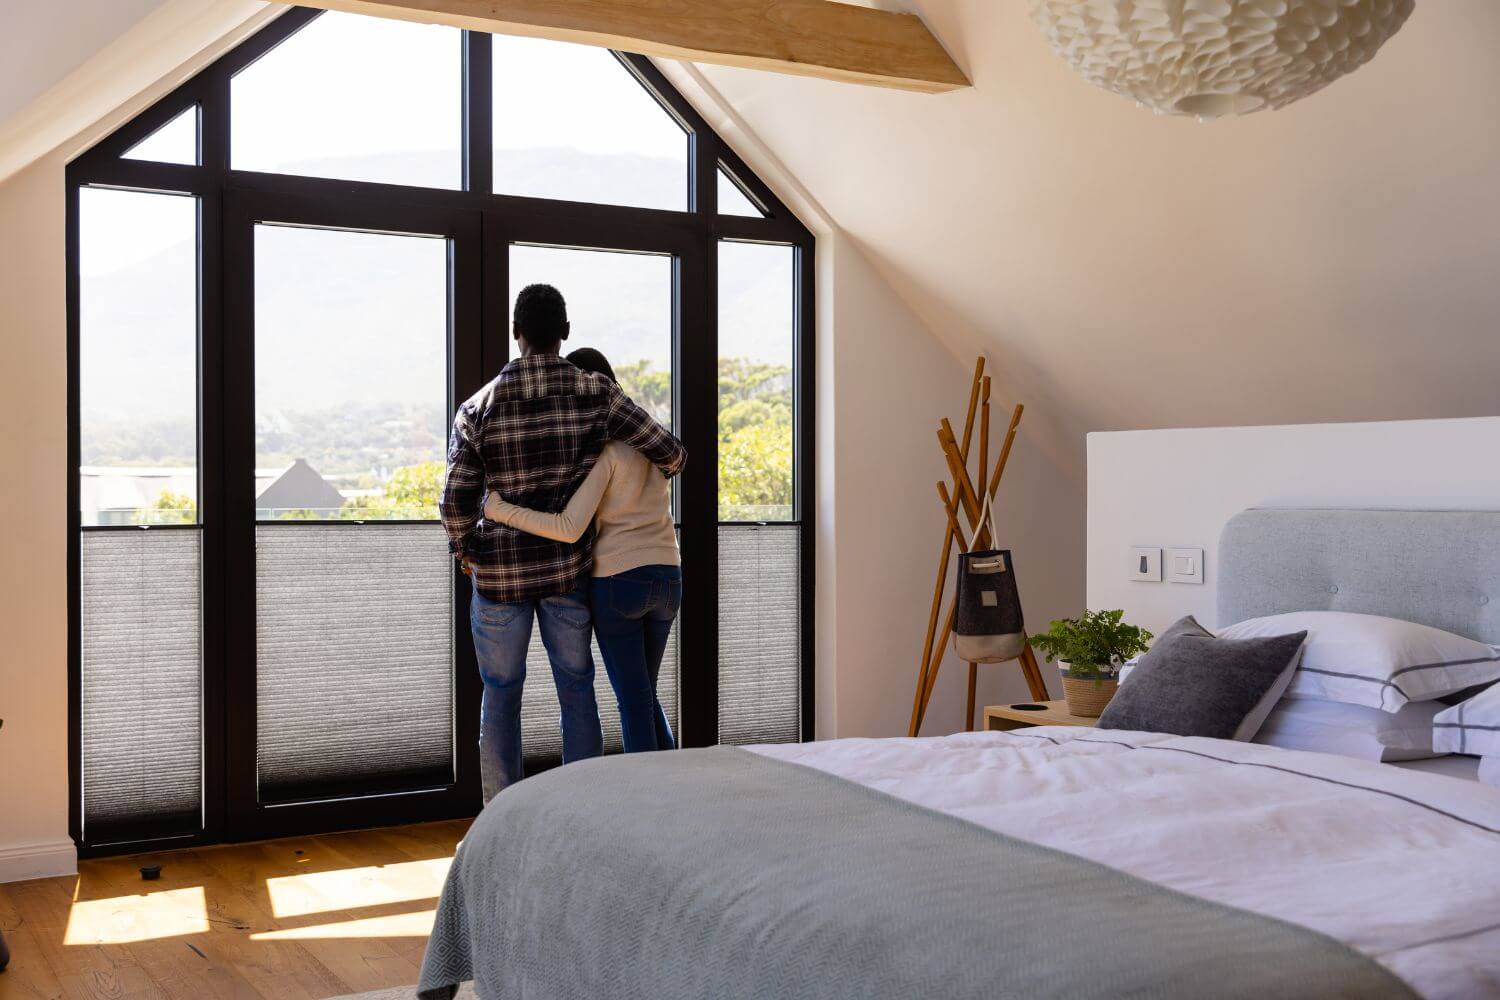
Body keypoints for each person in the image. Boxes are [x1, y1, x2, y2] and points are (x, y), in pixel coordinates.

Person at [441, 285, 686, 802]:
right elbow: (671, 451)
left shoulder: (477, 406)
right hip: (565, 576)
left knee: (501, 695)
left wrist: (468, 552)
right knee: (576, 689)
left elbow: (456, 501)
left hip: (500, 579)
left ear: (516, 332)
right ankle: (583, 810)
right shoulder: (596, 392)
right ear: (566, 333)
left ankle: (500, 817)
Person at [486, 348, 681, 754]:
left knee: (633, 702)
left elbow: (568, 527)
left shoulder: (606, 453)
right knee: (646, 694)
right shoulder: (652, 444)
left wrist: (500, 509)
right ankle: (677, 790)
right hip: (669, 576)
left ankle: (647, 806)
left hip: (619, 582)